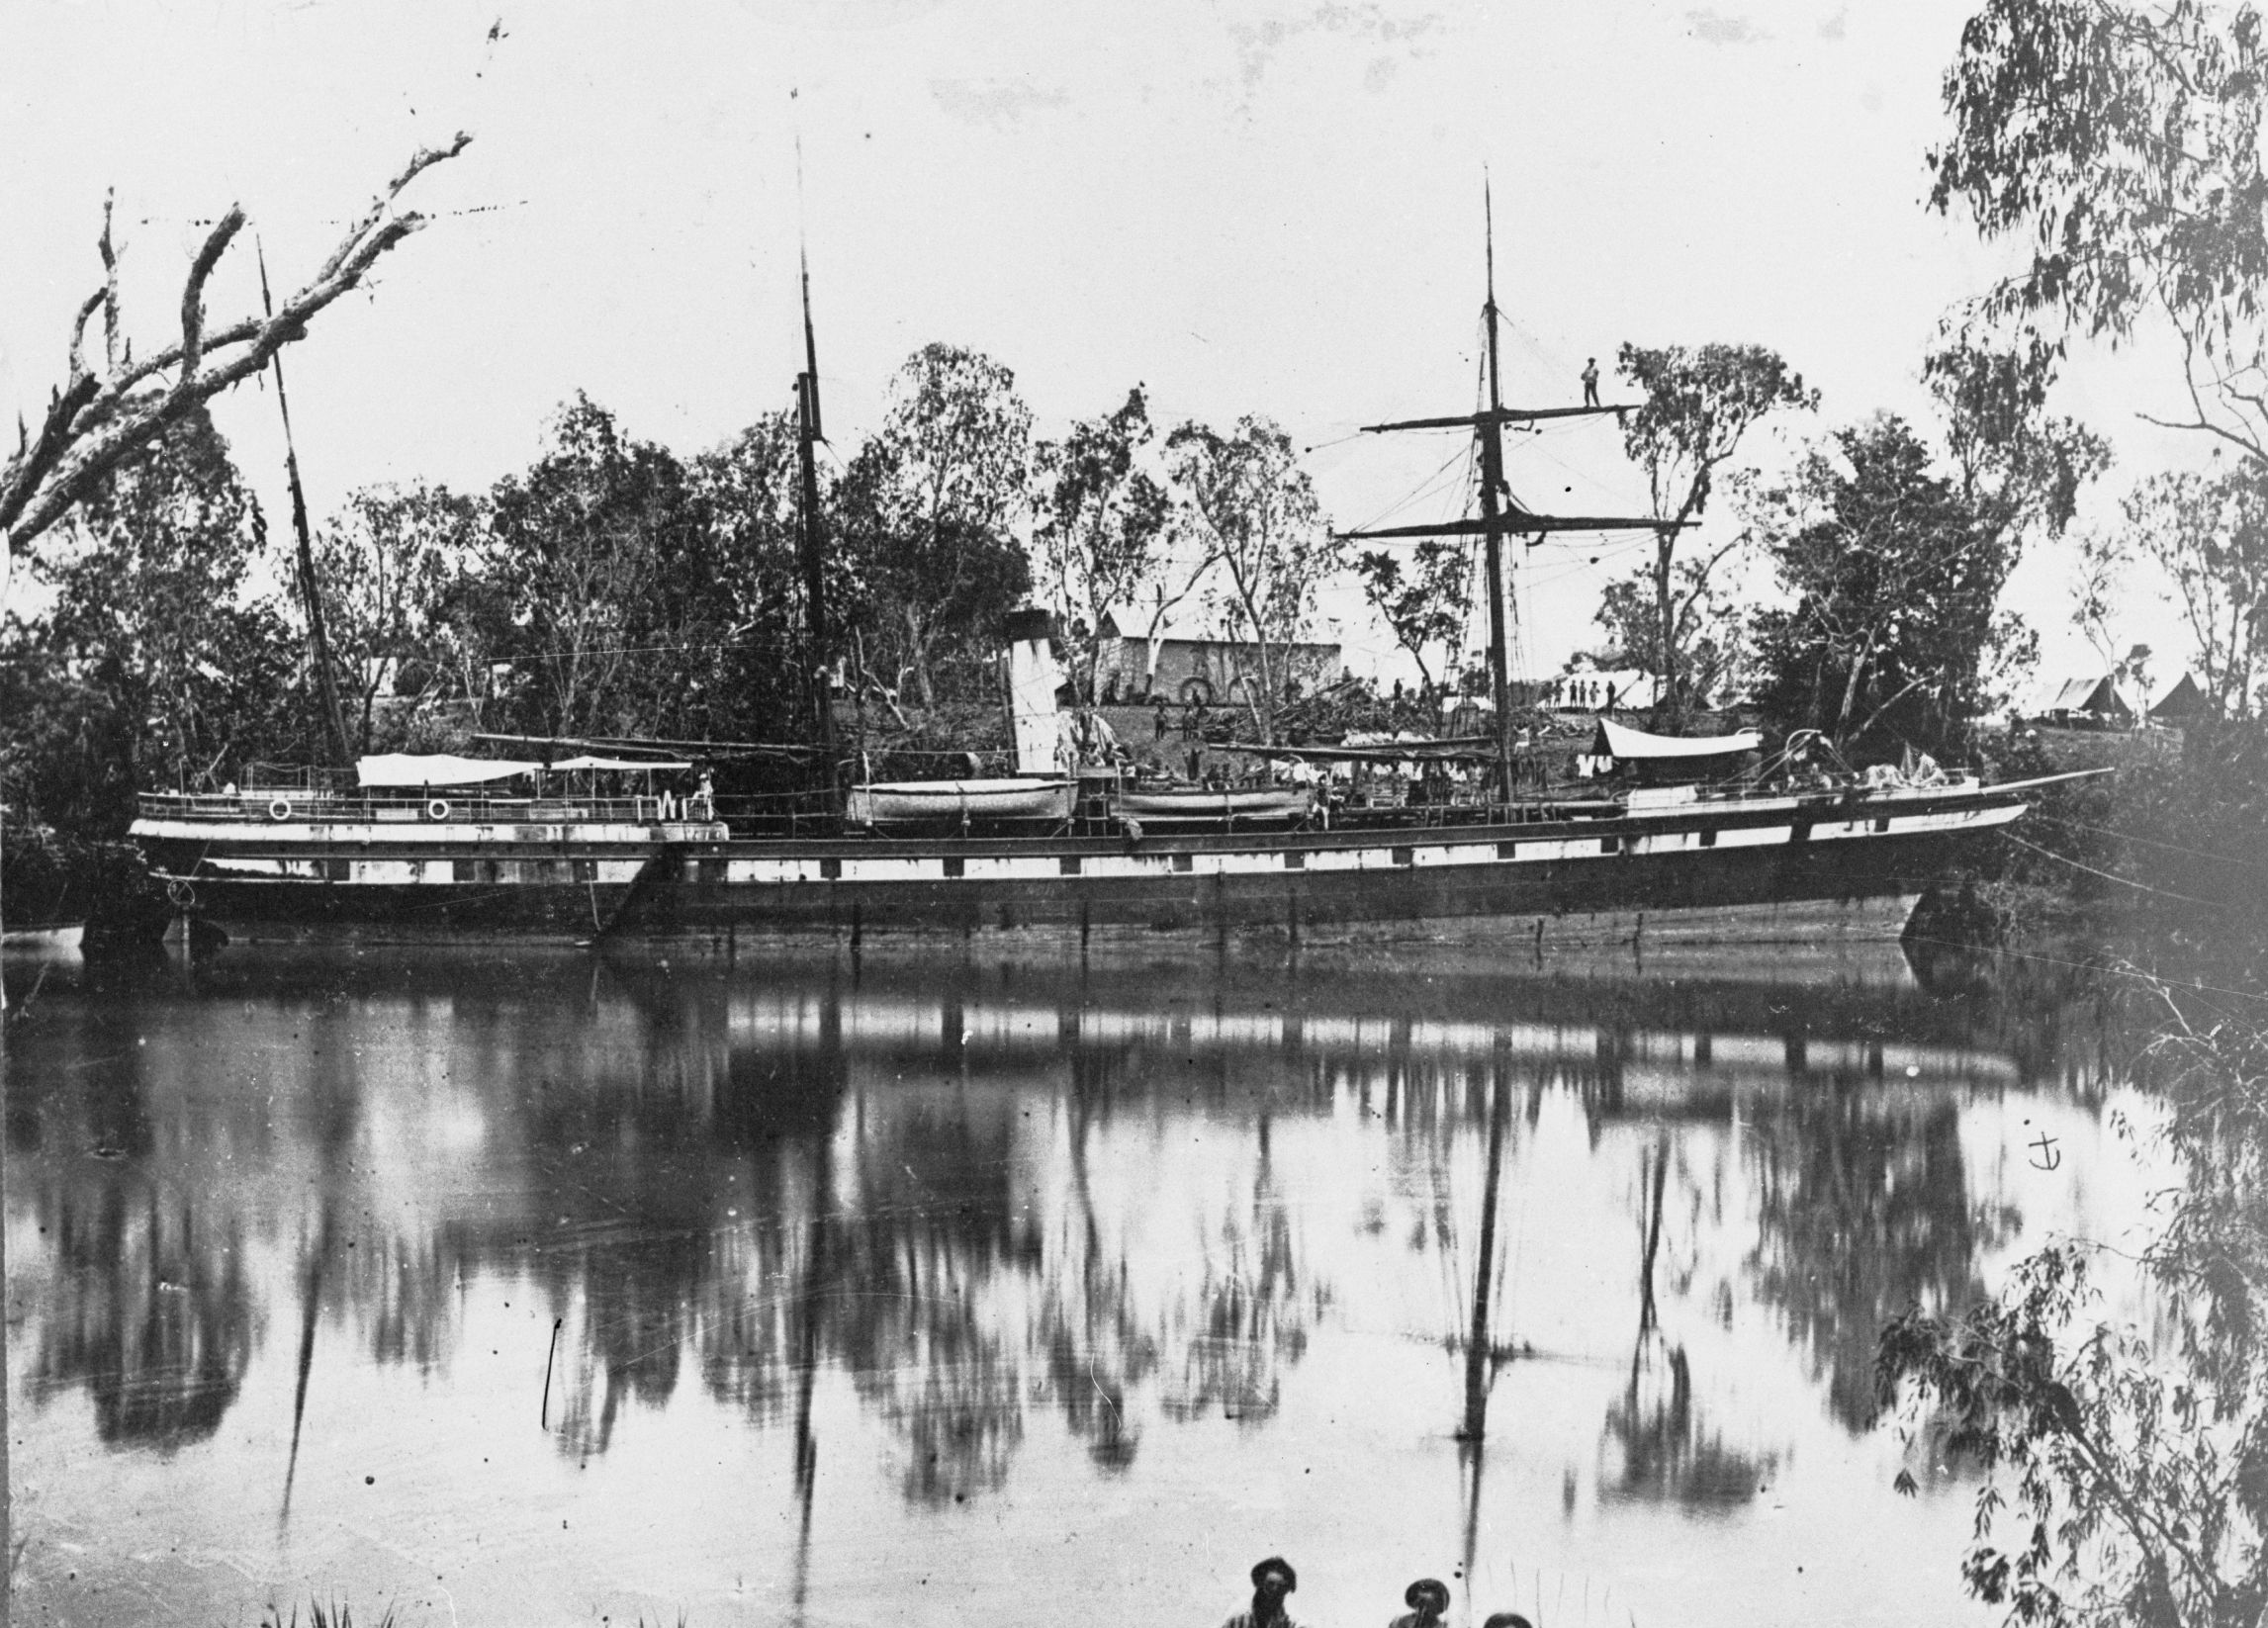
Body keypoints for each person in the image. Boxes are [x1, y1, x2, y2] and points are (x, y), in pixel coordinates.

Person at [1222, 1557, 1304, 1628]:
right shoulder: (1236, 1622)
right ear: (1259, 1584)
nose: (1274, 1592)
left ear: (1286, 1591)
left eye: (1280, 1588)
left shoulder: (1294, 1626)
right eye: (1269, 1585)